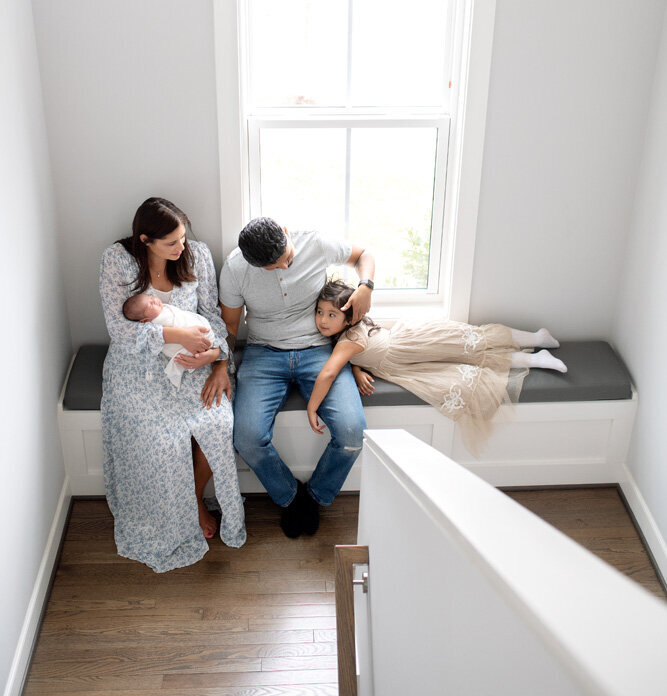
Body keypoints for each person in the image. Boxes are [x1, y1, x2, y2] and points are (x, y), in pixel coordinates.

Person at [99, 197, 246, 572]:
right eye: (171, 243)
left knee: (217, 424)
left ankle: (193, 496)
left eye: (183, 237)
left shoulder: (195, 255)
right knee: (160, 439)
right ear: (145, 239)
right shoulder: (117, 261)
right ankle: (182, 509)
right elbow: (119, 331)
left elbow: (212, 315)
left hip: (197, 359)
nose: (182, 247)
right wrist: (177, 332)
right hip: (138, 366)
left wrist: (217, 363)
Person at [214, 217, 375, 538]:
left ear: (286, 233)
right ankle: (291, 498)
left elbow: (363, 254)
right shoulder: (235, 269)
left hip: (317, 349)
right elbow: (230, 328)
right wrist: (221, 365)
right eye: (274, 266)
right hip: (263, 353)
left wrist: (365, 287)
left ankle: (314, 497)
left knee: (353, 433)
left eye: (287, 256)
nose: (285, 265)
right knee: (245, 437)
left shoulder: (314, 241)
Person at [307, 280, 566, 452]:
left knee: (475, 342)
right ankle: (535, 357)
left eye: (332, 314)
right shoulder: (346, 336)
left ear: (350, 316)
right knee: (471, 358)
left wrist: (312, 406)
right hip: (406, 357)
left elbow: (329, 372)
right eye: (319, 312)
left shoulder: (346, 341)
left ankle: (535, 338)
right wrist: (357, 369)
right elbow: (357, 353)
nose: (323, 320)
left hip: (409, 347)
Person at [122, 291, 216, 389]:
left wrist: (215, 353)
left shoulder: (164, 309)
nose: (154, 300)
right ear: (145, 320)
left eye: (150, 297)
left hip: (205, 341)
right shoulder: (157, 321)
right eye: (150, 305)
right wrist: (182, 335)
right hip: (187, 347)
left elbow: (182, 315)